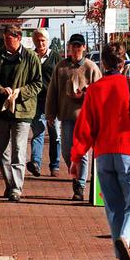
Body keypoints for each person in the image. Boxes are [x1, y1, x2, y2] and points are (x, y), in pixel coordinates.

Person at [70, 42, 130, 260]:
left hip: (103, 154)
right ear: (123, 63)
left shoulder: (95, 89)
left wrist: (76, 157)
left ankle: (120, 258)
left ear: (103, 63)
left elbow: (84, 128)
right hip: (128, 151)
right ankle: (126, 238)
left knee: (114, 207)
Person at [0, 25, 42, 202]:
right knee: (2, 152)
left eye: (10, 39)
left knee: (18, 150)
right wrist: (0, 90)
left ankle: (16, 188)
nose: (7, 42)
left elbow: (38, 83)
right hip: (0, 111)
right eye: (5, 39)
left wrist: (20, 92)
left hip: (22, 111)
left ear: (19, 38)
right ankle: (10, 182)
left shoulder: (30, 58)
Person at [45, 33, 102, 201]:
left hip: (85, 118)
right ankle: (76, 176)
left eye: (79, 46)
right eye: (73, 46)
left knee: (82, 153)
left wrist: (84, 96)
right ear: (69, 47)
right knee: (67, 151)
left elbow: (100, 92)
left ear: (84, 48)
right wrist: (50, 113)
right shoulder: (61, 67)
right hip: (66, 117)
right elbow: (52, 92)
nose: (76, 49)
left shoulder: (91, 68)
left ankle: (80, 186)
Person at [26, 28, 62, 178]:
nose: (40, 43)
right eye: (38, 40)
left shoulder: (55, 57)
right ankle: (36, 164)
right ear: (34, 41)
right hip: (36, 101)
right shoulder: (30, 57)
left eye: (43, 40)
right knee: (38, 132)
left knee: (54, 134)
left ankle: (55, 165)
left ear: (47, 41)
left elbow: (61, 78)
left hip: (52, 101)